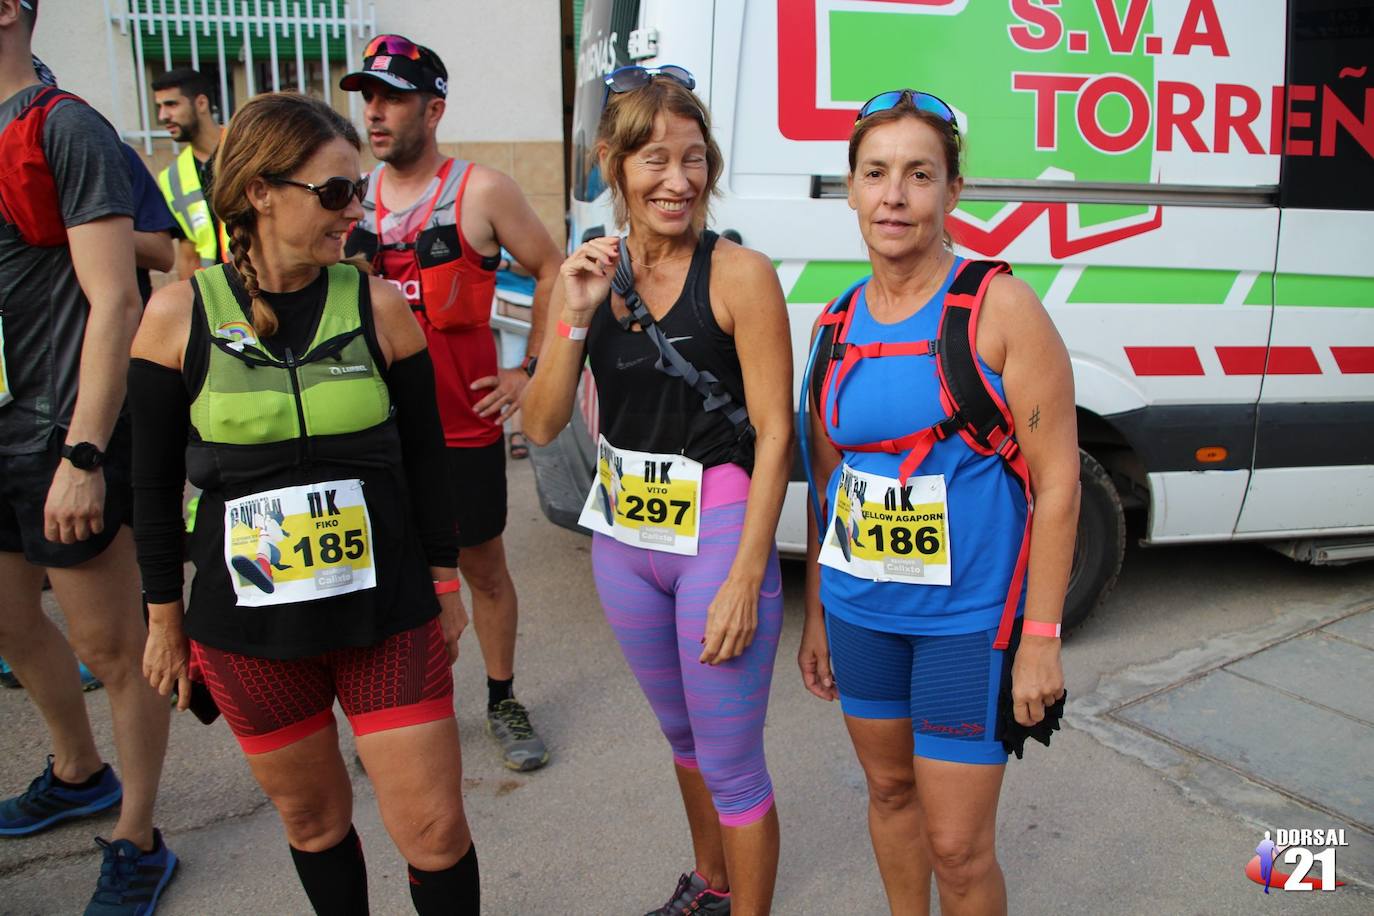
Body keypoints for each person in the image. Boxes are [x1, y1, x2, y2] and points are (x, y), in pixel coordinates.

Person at [131, 91, 480, 914]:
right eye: (333, 194)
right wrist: (161, 617)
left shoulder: (377, 305)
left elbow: (429, 463)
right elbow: (151, 486)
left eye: (356, 192)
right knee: (315, 822)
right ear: (260, 192)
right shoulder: (179, 313)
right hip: (249, 630)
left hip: (384, 612)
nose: (353, 212)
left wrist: (444, 580)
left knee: (435, 830)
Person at [796, 89, 1078, 915]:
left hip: (969, 623)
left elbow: (1059, 483)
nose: (895, 194)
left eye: (920, 174)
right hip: (860, 611)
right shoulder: (836, 322)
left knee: (958, 849)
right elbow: (828, 486)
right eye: (876, 173)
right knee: (889, 795)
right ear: (849, 188)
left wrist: (1041, 639)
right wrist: (817, 613)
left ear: (953, 191)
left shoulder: (999, 307)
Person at [524, 64, 793, 916]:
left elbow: (778, 432)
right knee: (683, 740)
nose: (677, 181)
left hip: (716, 530)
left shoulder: (739, 274)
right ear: (615, 163)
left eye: (693, 159)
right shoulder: (583, 276)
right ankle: (711, 886)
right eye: (654, 161)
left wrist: (748, 574)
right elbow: (539, 422)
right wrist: (575, 311)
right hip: (625, 540)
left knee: (732, 761)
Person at [339, 35, 562, 772]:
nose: (374, 112)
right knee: (381, 573)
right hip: (372, 432)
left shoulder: (483, 191)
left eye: (392, 97)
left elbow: (553, 267)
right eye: (367, 96)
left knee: (483, 570)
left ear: (433, 109)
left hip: (460, 431)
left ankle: (501, 698)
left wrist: (528, 367)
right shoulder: (349, 196)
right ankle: (403, 708)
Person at [0, 2, 177, 914]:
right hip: (3, 435)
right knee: (10, 623)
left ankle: (138, 835)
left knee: (113, 647)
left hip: (60, 433)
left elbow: (119, 298)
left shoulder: (62, 125)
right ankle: (79, 772)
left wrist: (85, 450)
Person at [152, 67, 228, 279]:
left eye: (171, 104)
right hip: (216, 293)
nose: (163, 116)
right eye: (159, 107)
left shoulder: (246, 149)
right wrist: (191, 304)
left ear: (201, 103)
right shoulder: (171, 177)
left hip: (264, 286)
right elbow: (188, 252)